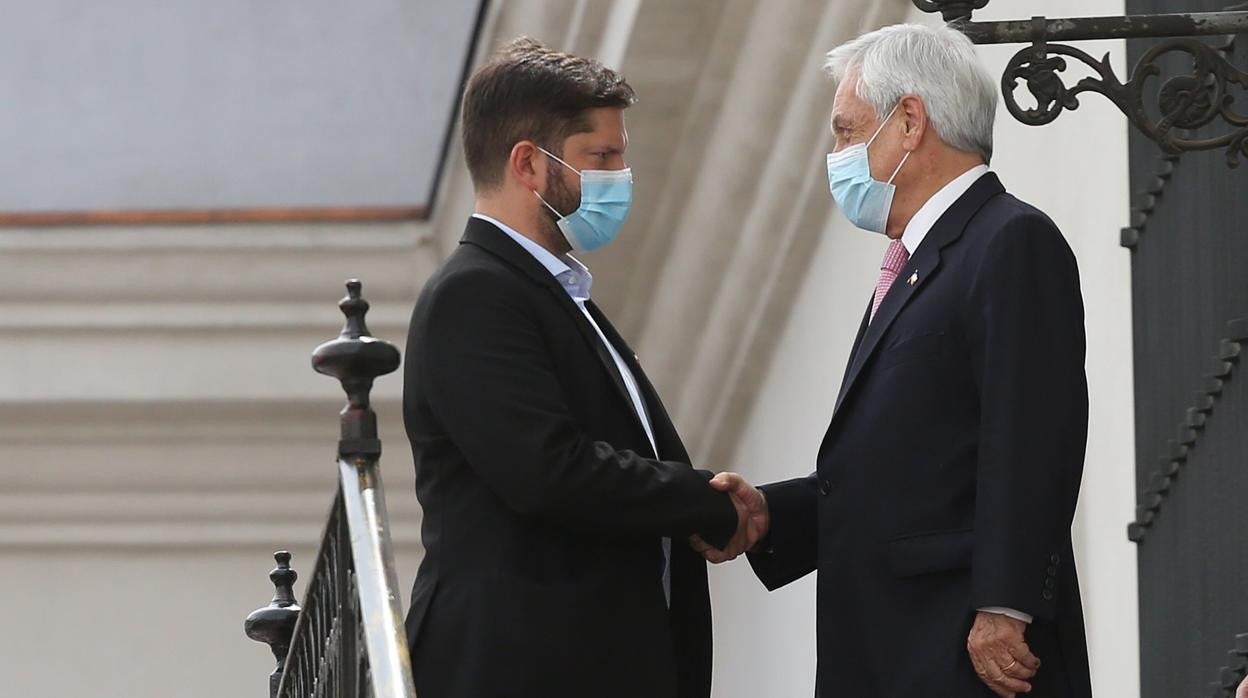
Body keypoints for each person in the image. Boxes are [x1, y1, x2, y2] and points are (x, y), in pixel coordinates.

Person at [695, 23, 1092, 698]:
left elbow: (1034, 435)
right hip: (893, 654)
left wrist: (1006, 605)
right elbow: (908, 468)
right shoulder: (915, 266)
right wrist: (771, 514)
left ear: (910, 121)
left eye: (848, 131)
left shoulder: (1009, 240)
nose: (838, 154)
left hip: (966, 656)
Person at [401, 37, 754, 698]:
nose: (621, 177)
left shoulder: (557, 295)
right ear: (529, 165)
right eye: (602, 157)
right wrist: (698, 500)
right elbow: (548, 471)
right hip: (523, 667)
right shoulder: (473, 294)